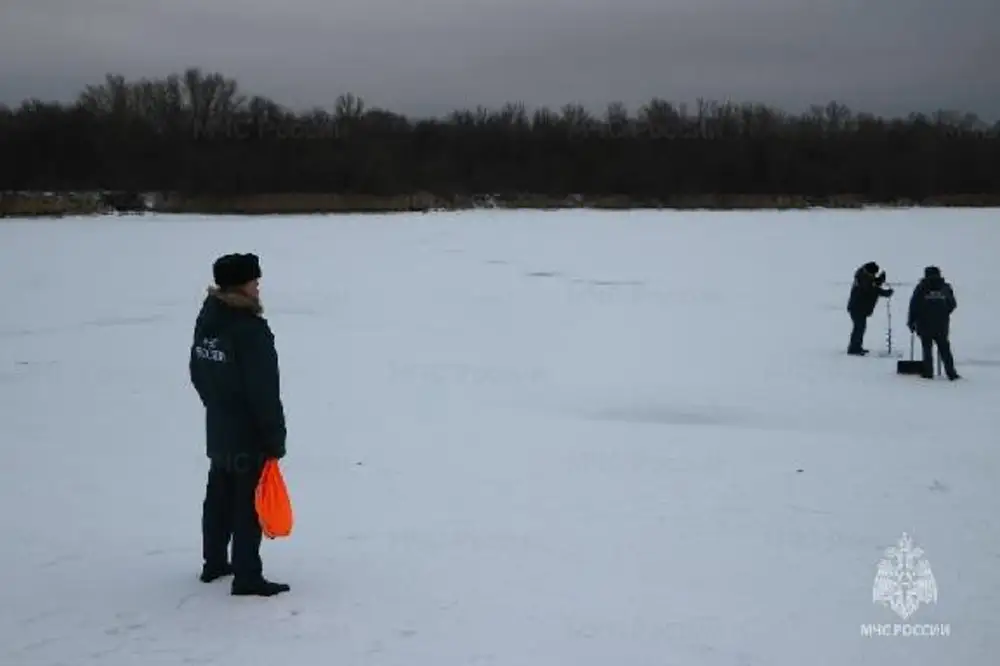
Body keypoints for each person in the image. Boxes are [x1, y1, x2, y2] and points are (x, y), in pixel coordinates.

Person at [189, 252, 290, 596]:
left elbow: (197, 370)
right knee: (248, 503)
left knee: (219, 495)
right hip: (247, 431)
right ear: (240, 286)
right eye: (253, 281)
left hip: (219, 424)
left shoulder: (209, 318)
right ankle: (247, 576)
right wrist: (274, 436)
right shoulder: (249, 330)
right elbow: (264, 390)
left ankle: (215, 563)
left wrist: (216, 406)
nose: (257, 287)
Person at [907, 265, 959, 380]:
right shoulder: (945, 288)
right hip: (941, 325)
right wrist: (944, 313)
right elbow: (952, 304)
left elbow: (914, 306)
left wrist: (911, 322)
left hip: (924, 324)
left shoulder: (921, 288)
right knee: (945, 349)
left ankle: (928, 372)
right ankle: (951, 373)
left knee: (927, 349)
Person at [846, 261, 894, 355]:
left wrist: (880, 279)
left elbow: (873, 284)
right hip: (857, 308)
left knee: (860, 327)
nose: (874, 275)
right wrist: (885, 292)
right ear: (869, 272)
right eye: (874, 274)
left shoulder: (864, 275)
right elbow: (872, 289)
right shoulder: (863, 278)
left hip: (860, 308)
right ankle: (853, 349)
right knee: (859, 328)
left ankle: (856, 346)